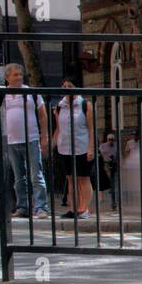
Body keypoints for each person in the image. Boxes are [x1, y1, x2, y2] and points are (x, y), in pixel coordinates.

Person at [0, 63, 49, 219]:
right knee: (19, 178)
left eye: (21, 74)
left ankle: (41, 207)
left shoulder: (30, 93)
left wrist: (44, 136)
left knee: (36, 175)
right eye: (15, 75)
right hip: (12, 141)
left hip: (31, 139)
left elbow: (42, 115)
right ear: (7, 77)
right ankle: (23, 207)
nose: (19, 77)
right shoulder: (2, 94)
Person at [53, 80, 96, 220]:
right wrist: (51, 144)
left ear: (76, 87)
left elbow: (91, 128)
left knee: (83, 178)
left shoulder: (85, 105)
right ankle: (73, 209)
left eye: (70, 86)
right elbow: (58, 128)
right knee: (71, 179)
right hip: (65, 147)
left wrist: (91, 148)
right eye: (64, 86)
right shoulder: (59, 107)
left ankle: (83, 209)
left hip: (82, 147)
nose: (67, 89)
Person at [98, 132, 119, 210]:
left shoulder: (116, 145)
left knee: (114, 181)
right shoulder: (102, 146)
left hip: (114, 164)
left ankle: (114, 201)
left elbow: (119, 154)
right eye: (110, 139)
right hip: (106, 164)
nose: (111, 141)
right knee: (110, 178)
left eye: (112, 140)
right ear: (107, 139)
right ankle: (110, 187)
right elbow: (100, 154)